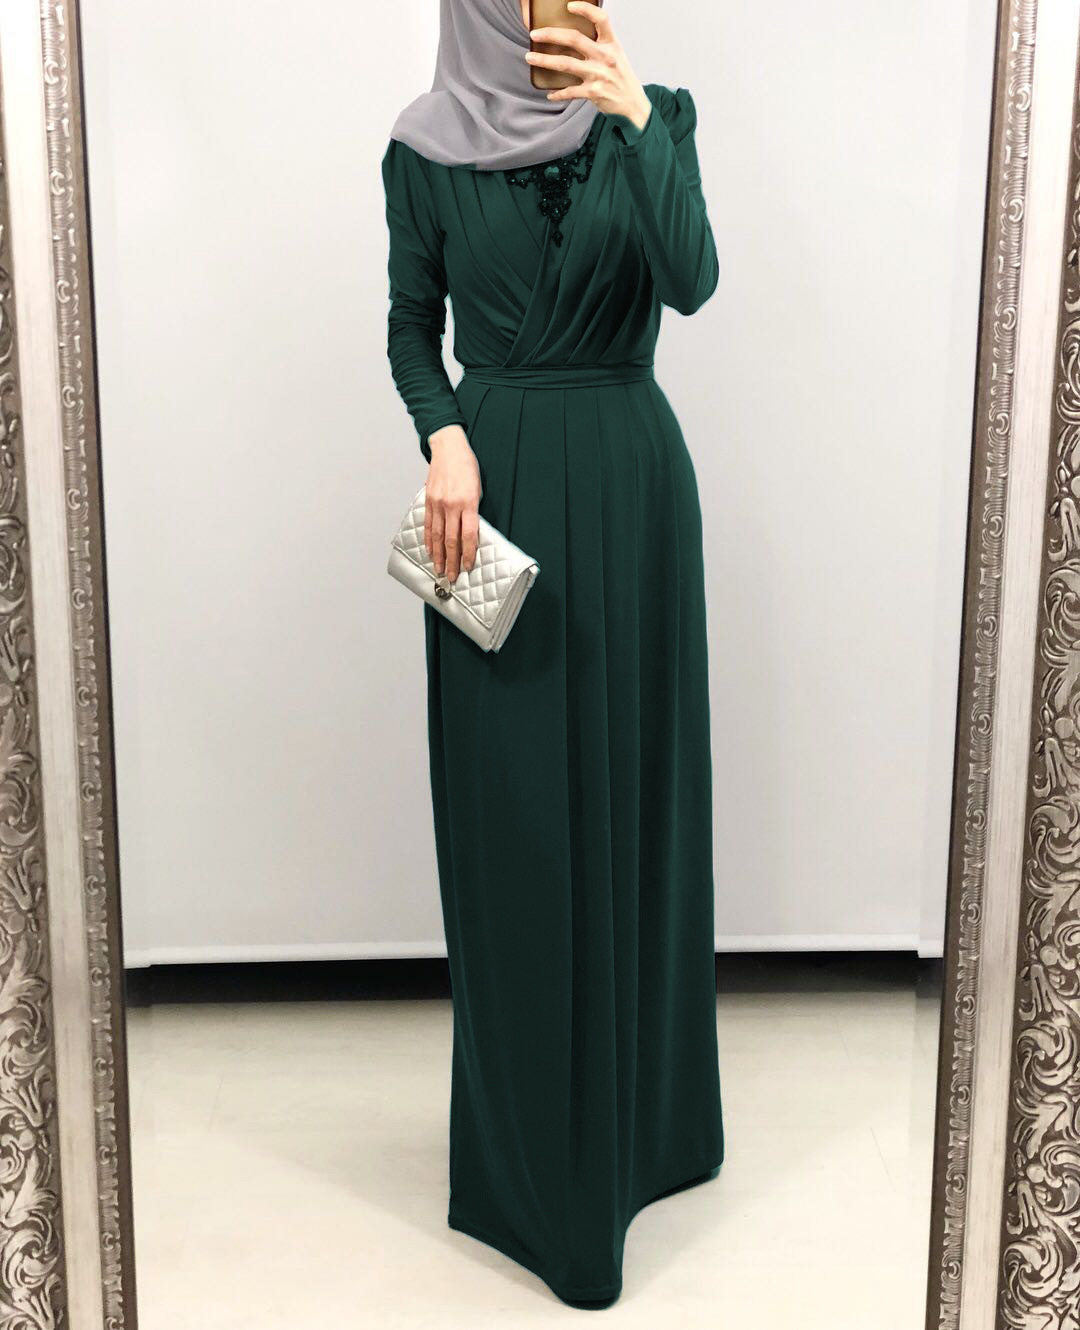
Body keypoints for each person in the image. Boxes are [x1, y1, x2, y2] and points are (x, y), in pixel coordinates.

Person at [381, 0, 724, 1307]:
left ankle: (648, 1135)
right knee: (510, 820)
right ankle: (528, 1165)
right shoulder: (422, 147)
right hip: (493, 498)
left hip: (634, 496)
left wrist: (635, 119)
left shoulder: (658, 115)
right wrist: (444, 435)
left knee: (635, 804)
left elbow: (692, 279)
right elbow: (411, 325)